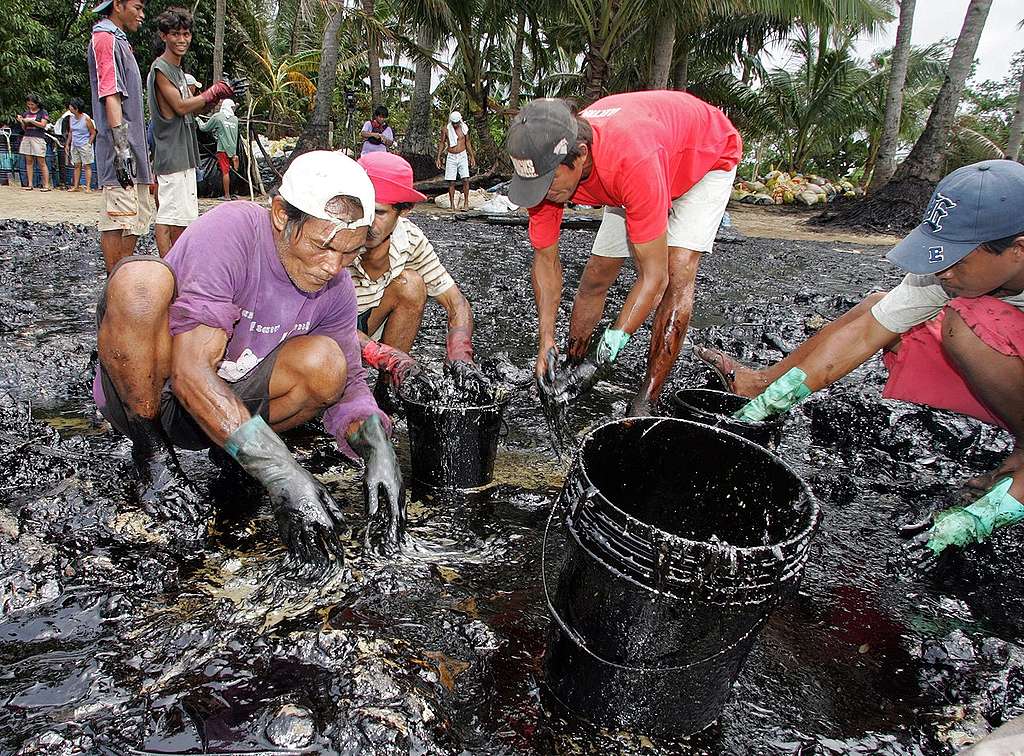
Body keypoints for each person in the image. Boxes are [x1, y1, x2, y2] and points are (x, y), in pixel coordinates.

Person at [696, 160, 1024, 566]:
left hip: (1001, 353)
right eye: (937, 255)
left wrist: (986, 515)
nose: (942, 271)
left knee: (964, 322)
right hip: (1004, 359)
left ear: (1018, 248)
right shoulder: (949, 273)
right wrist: (775, 398)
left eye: (956, 260)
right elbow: (866, 333)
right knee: (880, 308)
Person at [94, 150, 405, 565]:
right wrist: (282, 472)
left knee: (328, 363)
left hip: (227, 405)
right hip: (156, 397)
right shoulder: (233, 231)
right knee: (140, 282)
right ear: (281, 214)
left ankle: (233, 452)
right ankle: (152, 456)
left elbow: (350, 383)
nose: (333, 267)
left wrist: (378, 449)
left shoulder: (335, 289)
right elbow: (190, 373)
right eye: (321, 245)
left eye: (349, 255)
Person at [505, 92, 742, 416]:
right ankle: (572, 364)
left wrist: (607, 352)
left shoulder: (630, 160)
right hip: (638, 172)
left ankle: (646, 399)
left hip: (704, 159)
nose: (542, 194)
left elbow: (654, 278)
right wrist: (546, 339)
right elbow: (546, 261)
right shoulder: (548, 179)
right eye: (535, 185)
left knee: (677, 270)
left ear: (581, 155)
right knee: (597, 272)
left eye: (548, 182)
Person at [349, 152, 489, 409]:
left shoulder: (411, 240)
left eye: (379, 212)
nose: (367, 221)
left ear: (405, 211)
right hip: (319, 331)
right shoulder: (337, 234)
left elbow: (456, 303)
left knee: (411, 285)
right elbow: (317, 322)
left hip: (363, 323)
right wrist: (386, 356)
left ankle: (387, 392)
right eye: (363, 209)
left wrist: (461, 355)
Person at [147, 7, 245, 255]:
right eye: (176, 34)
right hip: (172, 153)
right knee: (169, 216)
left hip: (184, 153)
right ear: (164, 36)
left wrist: (217, 97)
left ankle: (177, 265)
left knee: (183, 217)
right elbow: (180, 107)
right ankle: (167, 267)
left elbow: (190, 110)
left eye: (186, 34)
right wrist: (213, 92)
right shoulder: (161, 70)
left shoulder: (178, 72)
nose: (182, 40)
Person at [88, 0, 154, 273]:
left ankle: (120, 279)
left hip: (133, 147)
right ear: (118, 5)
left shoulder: (120, 41)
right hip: (120, 149)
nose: (141, 14)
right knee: (118, 218)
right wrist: (121, 149)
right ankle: (114, 287)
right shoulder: (104, 39)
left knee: (137, 218)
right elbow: (110, 96)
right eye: (137, 7)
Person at [199, 98, 240, 201]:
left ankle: (226, 195)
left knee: (225, 172)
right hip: (233, 149)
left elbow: (204, 128)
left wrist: (198, 120)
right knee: (232, 171)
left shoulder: (218, 117)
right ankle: (233, 191)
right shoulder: (235, 119)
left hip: (222, 149)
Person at [435, 111, 476, 211]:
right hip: (451, 156)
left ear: (460, 121)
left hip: (462, 155)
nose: (455, 125)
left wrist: (472, 156)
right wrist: (438, 157)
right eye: (453, 123)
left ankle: (466, 203)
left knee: (465, 179)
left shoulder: (464, 128)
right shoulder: (446, 129)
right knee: (451, 181)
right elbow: (442, 143)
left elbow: (467, 142)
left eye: (457, 123)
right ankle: (452, 205)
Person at [16, 94, 51, 191]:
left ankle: (46, 185)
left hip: (38, 138)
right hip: (27, 137)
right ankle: (30, 184)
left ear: (37, 103)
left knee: (41, 162)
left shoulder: (42, 112)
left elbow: (43, 125)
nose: (30, 106)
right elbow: (24, 128)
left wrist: (31, 121)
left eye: (32, 104)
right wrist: (22, 121)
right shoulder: (26, 113)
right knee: (29, 161)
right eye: (29, 104)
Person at [65, 98, 97, 192]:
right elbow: (71, 132)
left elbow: (93, 132)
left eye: (71, 106)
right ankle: (76, 186)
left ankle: (88, 187)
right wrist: (68, 144)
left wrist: (88, 144)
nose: (69, 107)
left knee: (87, 165)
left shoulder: (86, 119)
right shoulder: (71, 118)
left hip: (84, 144)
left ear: (76, 108)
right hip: (75, 144)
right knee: (76, 165)